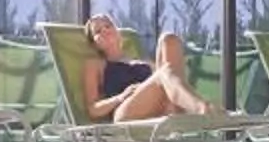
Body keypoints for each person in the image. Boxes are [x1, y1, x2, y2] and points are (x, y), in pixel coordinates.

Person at [82, 13, 213, 122]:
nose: (105, 30)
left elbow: (170, 79)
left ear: (118, 32)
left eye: (108, 26)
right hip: (124, 113)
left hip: (158, 107)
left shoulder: (143, 62)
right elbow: (93, 109)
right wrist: (121, 97)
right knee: (163, 73)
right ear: (95, 45)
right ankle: (202, 109)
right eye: (98, 31)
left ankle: (185, 109)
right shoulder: (95, 64)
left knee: (169, 39)